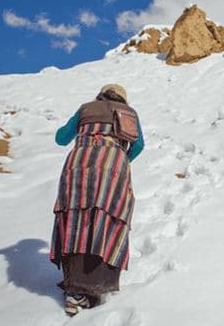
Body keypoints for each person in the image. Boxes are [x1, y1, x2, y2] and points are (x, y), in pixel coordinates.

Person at [50, 84, 144, 317]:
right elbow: (139, 145)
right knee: (106, 218)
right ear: (123, 99)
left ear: (100, 95)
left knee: (75, 217)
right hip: (113, 169)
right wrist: (120, 158)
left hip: (78, 167)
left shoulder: (86, 109)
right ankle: (94, 286)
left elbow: (61, 138)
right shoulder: (129, 113)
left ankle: (75, 288)